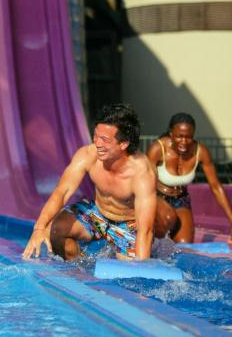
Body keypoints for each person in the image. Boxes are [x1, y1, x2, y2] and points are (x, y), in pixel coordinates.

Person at [22, 103, 157, 261]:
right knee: (57, 229)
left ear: (123, 144)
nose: (97, 144)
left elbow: (145, 229)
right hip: (98, 213)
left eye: (105, 140)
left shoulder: (142, 173)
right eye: (96, 136)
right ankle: (78, 271)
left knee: (131, 271)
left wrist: (142, 269)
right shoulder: (87, 155)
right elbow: (62, 191)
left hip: (127, 224)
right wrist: (39, 228)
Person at [147, 112, 232, 243]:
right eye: (179, 136)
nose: (184, 142)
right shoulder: (158, 148)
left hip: (181, 199)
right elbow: (144, 182)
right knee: (169, 217)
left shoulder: (200, 151)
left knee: (184, 245)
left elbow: (215, 186)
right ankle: (151, 243)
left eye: (189, 137)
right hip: (157, 197)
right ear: (171, 133)